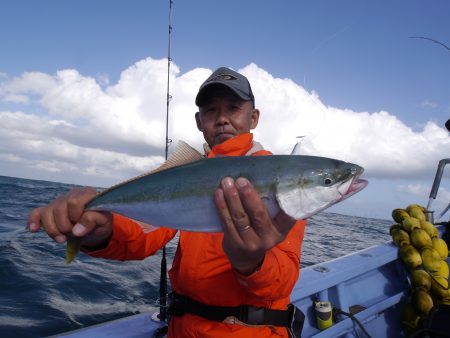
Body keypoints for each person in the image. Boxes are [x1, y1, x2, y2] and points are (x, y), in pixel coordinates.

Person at [28, 67, 307, 337]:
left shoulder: (280, 178)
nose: (222, 119)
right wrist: (103, 232)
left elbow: (280, 282)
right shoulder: (188, 173)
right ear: (199, 121)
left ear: (254, 117)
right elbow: (141, 237)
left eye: (233, 108)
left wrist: (252, 263)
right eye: (211, 110)